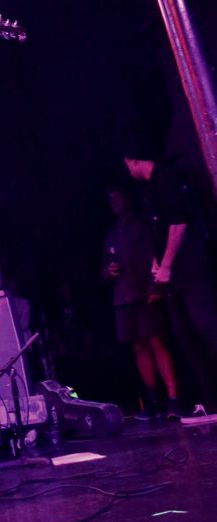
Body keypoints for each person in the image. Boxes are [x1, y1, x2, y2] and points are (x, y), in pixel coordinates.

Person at [124, 143, 217, 417]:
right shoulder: (148, 190)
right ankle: (211, 400)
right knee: (186, 336)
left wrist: (165, 265)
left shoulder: (167, 178)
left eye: (126, 163)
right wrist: (157, 261)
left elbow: (179, 223)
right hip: (172, 276)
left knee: (207, 328)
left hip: (189, 268)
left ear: (133, 160)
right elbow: (159, 229)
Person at [101, 182, 180, 419]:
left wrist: (156, 286)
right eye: (111, 199)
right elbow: (103, 271)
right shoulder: (112, 234)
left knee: (156, 341)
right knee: (139, 346)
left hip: (145, 292)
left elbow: (154, 255)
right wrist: (108, 272)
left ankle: (174, 398)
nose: (115, 203)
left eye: (118, 197)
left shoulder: (142, 226)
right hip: (123, 298)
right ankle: (152, 401)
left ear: (127, 198)